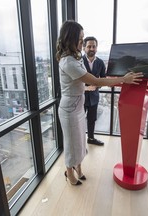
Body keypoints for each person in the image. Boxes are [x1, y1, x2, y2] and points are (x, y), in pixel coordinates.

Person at [56, 20, 143, 186]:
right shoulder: (68, 62)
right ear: (70, 39)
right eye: (80, 40)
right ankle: (69, 172)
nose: (82, 44)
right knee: (71, 144)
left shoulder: (75, 57)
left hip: (78, 105)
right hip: (69, 109)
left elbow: (88, 81)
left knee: (81, 141)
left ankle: (79, 168)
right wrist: (123, 80)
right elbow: (96, 80)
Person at [83, 36, 106, 146]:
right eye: (89, 46)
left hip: (94, 97)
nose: (91, 48)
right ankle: (80, 142)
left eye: (94, 46)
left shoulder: (101, 63)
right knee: (78, 121)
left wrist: (96, 86)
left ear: (96, 48)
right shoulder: (79, 62)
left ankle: (91, 138)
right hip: (80, 97)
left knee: (92, 119)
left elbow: (103, 79)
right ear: (84, 48)